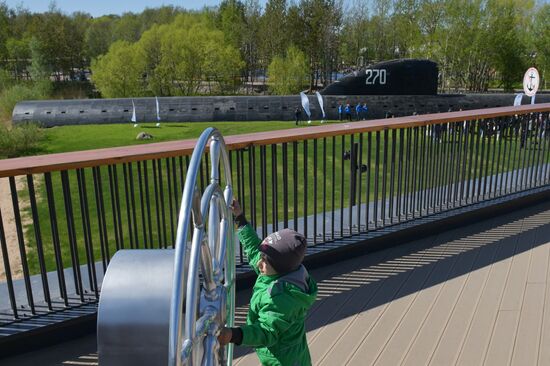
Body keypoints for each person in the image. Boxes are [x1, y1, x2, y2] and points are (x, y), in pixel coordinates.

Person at [218, 199, 318, 366]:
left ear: (280, 269)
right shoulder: (279, 270)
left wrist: (234, 335)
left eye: (264, 261)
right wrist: (240, 219)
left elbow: (266, 332)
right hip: (287, 352)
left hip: (283, 361)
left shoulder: (281, 299)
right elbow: (254, 250)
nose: (259, 263)